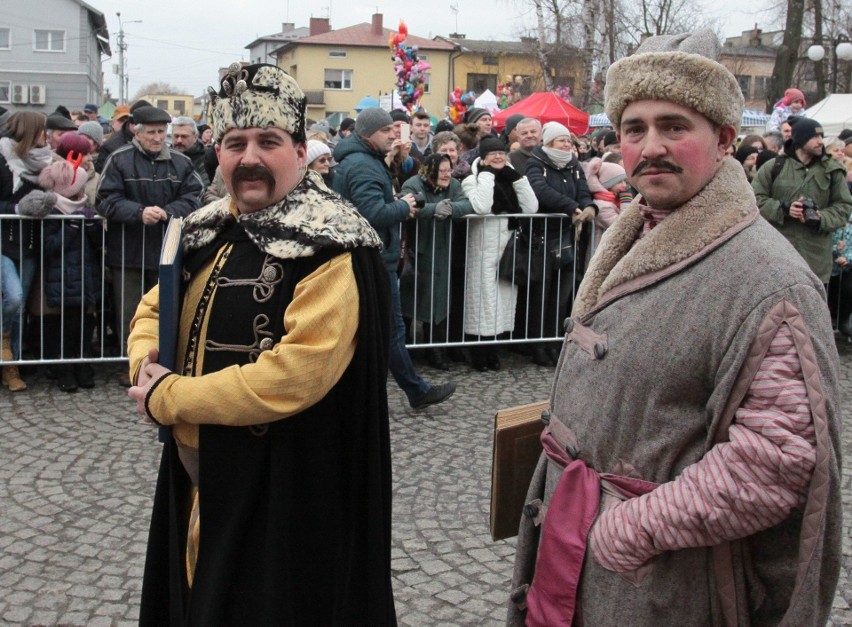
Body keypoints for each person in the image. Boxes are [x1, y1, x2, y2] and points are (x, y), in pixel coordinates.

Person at [508, 29, 842, 626]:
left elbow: (775, 458)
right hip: (572, 544)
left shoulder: (769, 280)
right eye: (635, 129)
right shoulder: (633, 231)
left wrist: (628, 532)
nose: (651, 146)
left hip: (661, 583)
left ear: (724, 140)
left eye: (675, 126)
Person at [127, 63, 396, 624]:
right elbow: (155, 307)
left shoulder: (333, 243)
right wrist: (145, 363)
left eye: (268, 141)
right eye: (235, 143)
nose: (249, 157)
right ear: (218, 153)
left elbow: (297, 373)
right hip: (199, 469)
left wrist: (170, 398)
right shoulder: (205, 227)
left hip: (285, 485)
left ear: (300, 151)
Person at [333, 107, 456, 410]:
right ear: (366, 135)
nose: (392, 135)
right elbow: (372, 213)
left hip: (371, 255)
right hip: (373, 256)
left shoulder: (366, 160)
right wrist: (404, 206)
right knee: (391, 330)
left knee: (378, 329)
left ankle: (398, 391)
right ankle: (416, 391)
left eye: (393, 129)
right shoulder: (363, 165)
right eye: (385, 131)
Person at [96, 105, 204, 384]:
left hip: (167, 253)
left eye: (161, 132)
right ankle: (133, 365)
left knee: (168, 310)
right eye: (152, 132)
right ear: (137, 132)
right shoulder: (119, 160)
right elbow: (105, 199)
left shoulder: (181, 162)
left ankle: (167, 363)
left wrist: (169, 211)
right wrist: (138, 212)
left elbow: (194, 196)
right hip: (128, 251)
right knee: (130, 313)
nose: (157, 138)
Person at [461, 136, 537, 371]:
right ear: (482, 157)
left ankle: (493, 352)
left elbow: (532, 208)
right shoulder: (471, 180)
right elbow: (482, 206)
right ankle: (478, 354)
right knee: (483, 302)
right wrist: (486, 175)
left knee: (501, 302)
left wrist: (519, 180)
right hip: (483, 248)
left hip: (508, 249)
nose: (498, 157)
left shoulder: (512, 178)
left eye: (501, 153)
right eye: (492, 153)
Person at [524, 122, 596, 366]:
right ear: (549, 142)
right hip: (544, 237)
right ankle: (537, 345)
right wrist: (570, 207)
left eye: (568, 140)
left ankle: (556, 342)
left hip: (568, 237)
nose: (567, 144)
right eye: (561, 140)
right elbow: (540, 190)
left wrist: (588, 207)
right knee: (541, 294)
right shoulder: (536, 161)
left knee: (562, 295)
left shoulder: (574, 164)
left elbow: (583, 190)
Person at [753, 116, 852, 286]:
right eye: (814, 137)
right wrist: (784, 209)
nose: (820, 141)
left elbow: (844, 206)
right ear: (800, 139)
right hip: (779, 256)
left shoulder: (832, 170)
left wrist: (821, 217)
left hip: (816, 260)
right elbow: (754, 200)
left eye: (822, 136)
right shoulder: (774, 167)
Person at [399, 153, 474, 369]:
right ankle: (405, 350)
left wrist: (450, 208)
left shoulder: (455, 184)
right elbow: (407, 203)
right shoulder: (413, 183)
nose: (446, 174)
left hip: (441, 250)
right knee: (409, 301)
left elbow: (466, 204)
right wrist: (433, 209)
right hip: (416, 251)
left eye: (448, 170)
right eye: (441, 171)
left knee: (438, 302)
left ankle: (436, 351)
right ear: (430, 170)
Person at [0, 112, 54, 391]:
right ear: (30, 131)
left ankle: (12, 366)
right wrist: (18, 210)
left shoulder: (45, 161)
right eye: (43, 130)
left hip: (30, 244)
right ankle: (5, 349)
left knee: (20, 307)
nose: (47, 135)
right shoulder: (3, 158)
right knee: (13, 297)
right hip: (3, 241)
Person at [37, 157, 101, 392]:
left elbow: (97, 245)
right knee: (66, 326)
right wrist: (71, 228)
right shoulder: (53, 212)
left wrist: (93, 228)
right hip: (63, 276)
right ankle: (66, 368)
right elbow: (49, 246)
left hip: (85, 275)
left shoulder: (85, 210)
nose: (84, 190)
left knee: (86, 323)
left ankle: (82, 365)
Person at [170, 116, 210, 189]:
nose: (179, 140)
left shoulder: (206, 158)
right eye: (176, 136)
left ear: (195, 137)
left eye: (184, 136)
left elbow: (202, 188)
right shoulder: (165, 157)